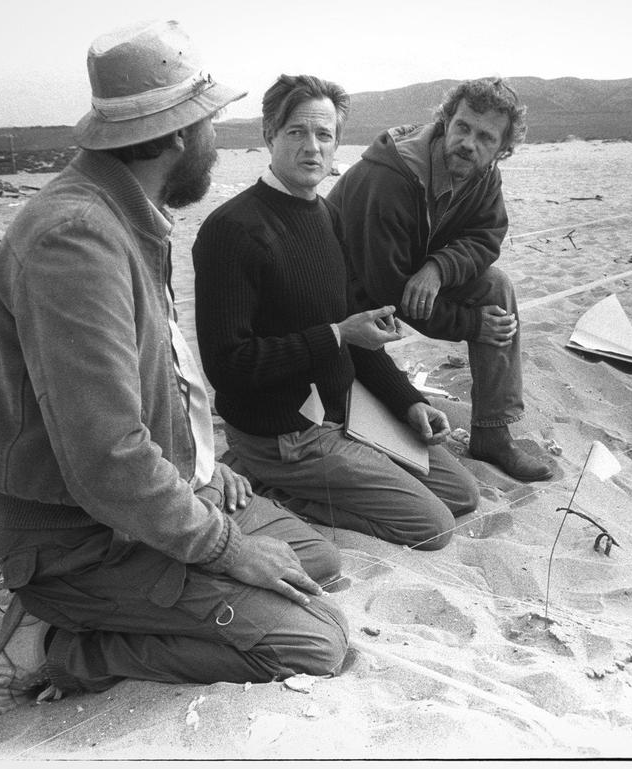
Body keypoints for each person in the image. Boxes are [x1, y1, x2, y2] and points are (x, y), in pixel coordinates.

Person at [0, 21, 349, 716]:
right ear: (176, 136)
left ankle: (116, 608)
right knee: (316, 640)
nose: (214, 137)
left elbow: (149, 384)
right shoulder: (75, 243)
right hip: (76, 540)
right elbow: (107, 456)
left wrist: (198, 464)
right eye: (209, 122)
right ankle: (61, 645)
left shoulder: (123, 212)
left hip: (130, 505)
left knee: (314, 562)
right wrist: (225, 546)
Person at [193, 74, 481, 550]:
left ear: (337, 143)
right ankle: (272, 486)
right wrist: (336, 336)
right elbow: (226, 366)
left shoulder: (326, 215)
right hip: (283, 434)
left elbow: (355, 329)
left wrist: (408, 402)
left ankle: (334, 468)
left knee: (463, 494)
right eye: (296, 132)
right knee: (433, 526)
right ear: (269, 135)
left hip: (344, 410)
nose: (312, 147)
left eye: (324, 135)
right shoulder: (232, 230)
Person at [327, 78, 554, 483]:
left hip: (408, 271)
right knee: (341, 395)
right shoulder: (392, 176)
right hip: (339, 291)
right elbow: (387, 290)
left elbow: (487, 235)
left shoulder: (484, 174)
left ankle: (492, 433)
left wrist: (439, 268)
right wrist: (472, 324)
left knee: (495, 287)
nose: (469, 143)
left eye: (486, 137)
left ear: (502, 150)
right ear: (445, 121)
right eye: (462, 127)